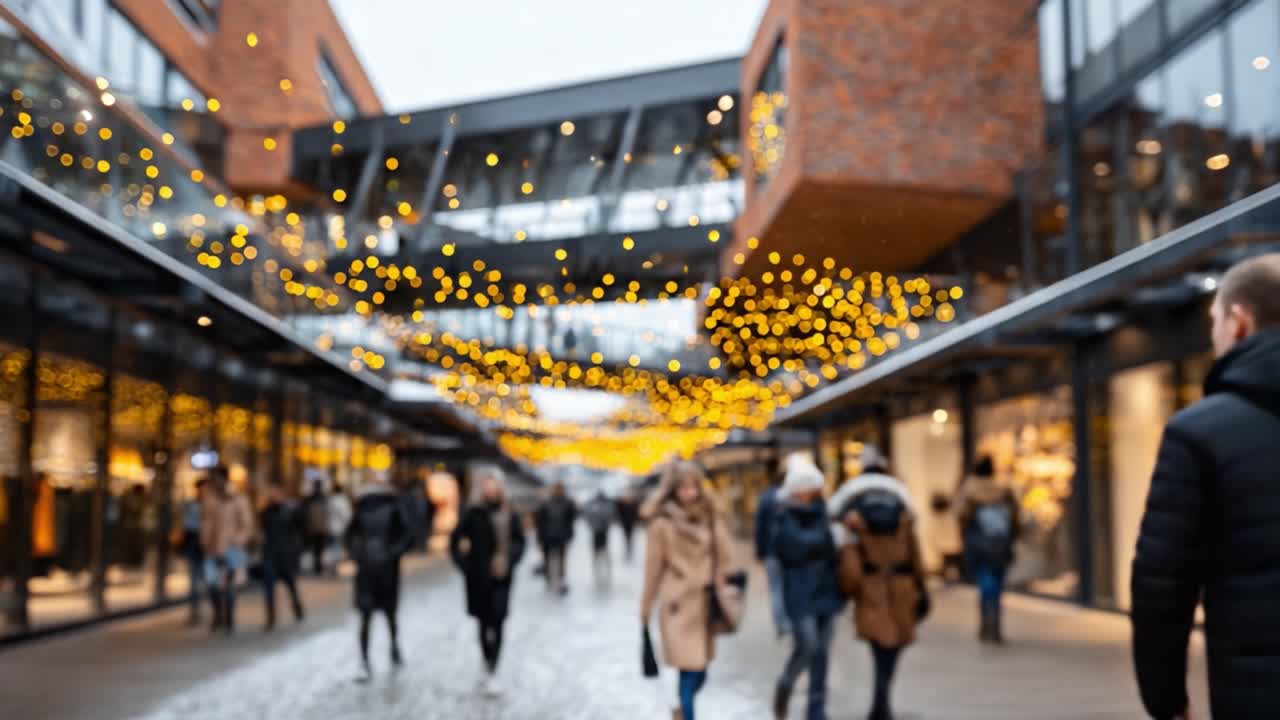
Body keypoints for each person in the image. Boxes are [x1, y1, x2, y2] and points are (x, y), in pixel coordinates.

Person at [1131, 254, 1280, 719]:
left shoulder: (1198, 433)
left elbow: (1161, 586)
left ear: (1239, 322)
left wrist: (1166, 701)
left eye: (1213, 320)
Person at [829, 445, 927, 720]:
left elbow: (848, 558)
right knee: (893, 644)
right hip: (902, 584)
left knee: (879, 644)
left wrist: (849, 587)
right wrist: (921, 584)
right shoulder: (902, 504)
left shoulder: (852, 511)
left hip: (872, 586)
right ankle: (882, 700)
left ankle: (880, 700)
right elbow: (914, 551)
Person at [640, 461, 743, 720]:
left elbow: (727, 555)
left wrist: (727, 581)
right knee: (688, 671)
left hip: (707, 602)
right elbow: (653, 568)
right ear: (673, 490)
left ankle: (680, 711)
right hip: (678, 604)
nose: (689, 493)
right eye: (683, 487)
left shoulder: (710, 516)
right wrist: (645, 606)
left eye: (693, 487)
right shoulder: (661, 523)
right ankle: (685, 714)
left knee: (700, 671)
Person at [772, 456, 844, 720]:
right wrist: (825, 542)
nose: (813, 494)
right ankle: (786, 683)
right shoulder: (784, 515)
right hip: (800, 591)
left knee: (822, 653)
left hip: (827, 588)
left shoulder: (825, 512)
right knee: (807, 645)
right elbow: (796, 546)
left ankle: (817, 709)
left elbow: (830, 549)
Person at [450, 467, 526, 697]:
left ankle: (493, 669)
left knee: (499, 621)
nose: (490, 490)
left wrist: (510, 559)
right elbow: (455, 540)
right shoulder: (473, 512)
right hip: (479, 578)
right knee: (484, 624)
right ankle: (486, 662)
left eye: (494, 485)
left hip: (502, 577)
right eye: (487, 486)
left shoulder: (510, 512)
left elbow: (519, 540)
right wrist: (465, 566)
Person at [345, 476, 414, 681]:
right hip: (370, 571)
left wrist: (392, 553)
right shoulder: (364, 510)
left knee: (384, 616)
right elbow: (350, 536)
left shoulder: (392, 509)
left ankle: (390, 649)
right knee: (371, 617)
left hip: (384, 570)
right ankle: (367, 660)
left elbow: (406, 536)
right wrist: (359, 553)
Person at [957, 455, 1019, 644]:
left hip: (978, 544)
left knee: (985, 583)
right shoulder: (1004, 489)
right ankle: (995, 625)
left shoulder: (970, 490)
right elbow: (1015, 518)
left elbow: (960, 516)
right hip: (1000, 543)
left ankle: (986, 624)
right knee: (997, 584)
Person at [200, 466, 253, 635]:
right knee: (211, 585)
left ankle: (229, 619)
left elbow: (247, 525)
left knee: (229, 586)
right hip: (212, 549)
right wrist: (205, 541)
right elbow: (205, 522)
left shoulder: (238, 499)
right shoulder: (208, 499)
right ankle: (218, 613)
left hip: (232, 550)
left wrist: (237, 540)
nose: (215, 482)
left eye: (216, 478)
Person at [258, 480, 305, 631]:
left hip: (285, 553)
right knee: (269, 586)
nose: (273, 495)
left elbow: (298, 530)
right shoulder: (265, 512)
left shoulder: (289, 511)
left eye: (276, 492)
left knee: (290, 583)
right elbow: (261, 531)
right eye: (271, 492)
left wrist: (295, 551)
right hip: (270, 552)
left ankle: (296, 605)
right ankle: (270, 616)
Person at [755, 465, 791, 638]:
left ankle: (781, 624)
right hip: (787, 552)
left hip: (771, 552)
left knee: (776, 589)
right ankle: (788, 621)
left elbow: (760, 527)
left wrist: (760, 552)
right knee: (786, 587)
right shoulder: (790, 497)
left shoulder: (766, 497)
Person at [535, 482, 577, 595]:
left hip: (561, 536)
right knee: (548, 559)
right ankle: (550, 578)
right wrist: (540, 536)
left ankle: (560, 579)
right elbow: (540, 521)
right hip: (548, 536)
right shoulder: (546, 503)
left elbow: (571, 519)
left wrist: (569, 534)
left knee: (561, 559)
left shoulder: (567, 503)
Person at [177, 479, 206, 626]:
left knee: (209, 581)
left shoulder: (213, 505)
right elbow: (185, 526)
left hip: (209, 548)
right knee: (194, 582)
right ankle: (195, 612)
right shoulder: (190, 505)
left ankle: (214, 611)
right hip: (194, 546)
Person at [583, 491, 616, 587]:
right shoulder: (596, 504)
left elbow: (610, 515)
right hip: (596, 530)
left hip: (602, 530)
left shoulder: (603, 504)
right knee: (597, 548)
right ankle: (597, 562)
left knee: (603, 548)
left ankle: (602, 562)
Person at [301, 473, 330, 576]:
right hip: (320, 527)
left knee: (315, 548)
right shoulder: (324, 498)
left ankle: (317, 566)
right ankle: (318, 566)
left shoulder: (311, 498)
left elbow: (306, 512)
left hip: (314, 527)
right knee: (319, 549)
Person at [328, 482, 354, 572]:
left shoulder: (330, 500)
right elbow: (346, 515)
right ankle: (334, 565)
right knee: (337, 546)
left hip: (330, 527)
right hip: (340, 528)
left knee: (334, 546)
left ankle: (333, 565)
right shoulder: (342, 501)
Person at [616, 491, 640, 562]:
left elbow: (636, 513)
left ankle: (629, 551)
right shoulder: (622, 505)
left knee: (630, 538)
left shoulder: (633, 504)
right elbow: (618, 509)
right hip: (625, 524)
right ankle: (627, 551)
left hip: (631, 524)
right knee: (626, 538)